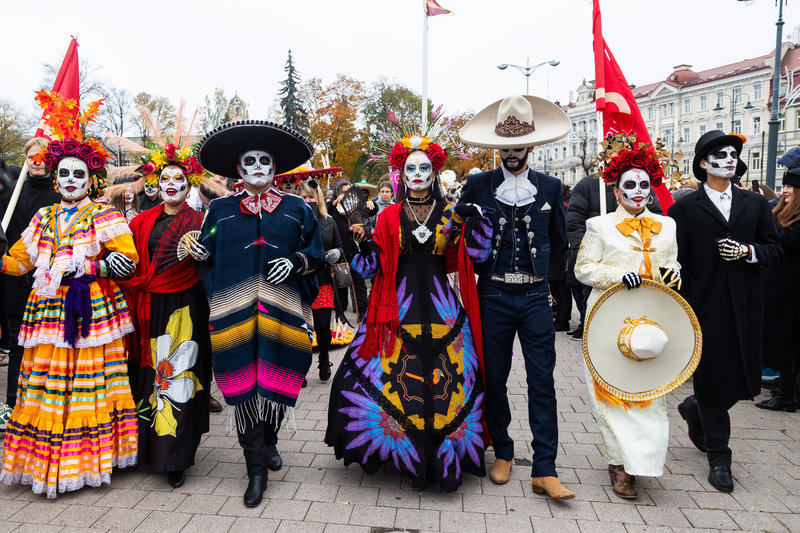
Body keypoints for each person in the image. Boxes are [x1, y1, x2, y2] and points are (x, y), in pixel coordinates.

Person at [325, 133, 491, 491]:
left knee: (451, 376)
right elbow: (371, 267)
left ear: (434, 173)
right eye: (411, 168)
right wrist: (355, 241)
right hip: (394, 308)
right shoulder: (387, 217)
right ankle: (399, 450)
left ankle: (444, 452)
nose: (417, 174)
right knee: (386, 373)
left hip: (441, 306)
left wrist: (470, 224)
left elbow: (469, 257)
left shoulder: (448, 213)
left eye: (424, 168)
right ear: (402, 173)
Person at [0, 91, 139, 497]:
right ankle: (49, 460)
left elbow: (127, 262)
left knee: (88, 385)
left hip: (92, 311)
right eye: (64, 174)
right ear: (56, 177)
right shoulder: (42, 216)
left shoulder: (104, 214)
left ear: (90, 179)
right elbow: (19, 262)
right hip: (47, 313)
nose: (70, 181)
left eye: (78, 174)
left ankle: (87, 462)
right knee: (47, 385)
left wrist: (90, 266)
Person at [195, 119, 324, 507]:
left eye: (264, 160)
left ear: (274, 167)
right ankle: (255, 470)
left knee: (276, 376)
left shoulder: (297, 208)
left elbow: (315, 253)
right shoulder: (218, 210)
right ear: (238, 168)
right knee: (242, 387)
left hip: (282, 311)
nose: (256, 166)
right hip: (232, 313)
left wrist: (296, 263)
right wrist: (201, 254)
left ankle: (270, 440)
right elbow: (206, 253)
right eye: (248, 161)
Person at [457, 94, 573, 499]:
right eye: (504, 148)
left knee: (543, 380)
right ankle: (502, 450)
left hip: (535, 297)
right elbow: (457, 233)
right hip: (492, 295)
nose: (510, 154)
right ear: (496, 148)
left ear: (531, 147)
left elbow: (558, 242)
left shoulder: (551, 187)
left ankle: (545, 466)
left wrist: (542, 282)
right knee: (495, 378)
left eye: (517, 148)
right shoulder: (477, 185)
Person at [669, 130, 782, 492]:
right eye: (720, 154)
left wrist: (748, 252)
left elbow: (774, 251)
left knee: (745, 381)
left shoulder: (754, 204)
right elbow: (677, 261)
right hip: (705, 308)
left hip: (748, 306)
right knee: (714, 381)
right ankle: (720, 457)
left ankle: (694, 407)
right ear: (704, 164)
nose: (730, 159)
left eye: (734, 153)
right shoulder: (683, 209)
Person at [574, 140, 681, 499]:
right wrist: (619, 274)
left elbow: (673, 263)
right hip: (607, 319)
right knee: (608, 393)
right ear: (616, 191)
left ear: (652, 190)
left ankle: (644, 459)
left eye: (643, 185)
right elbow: (583, 269)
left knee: (650, 392)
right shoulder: (599, 226)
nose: (637, 192)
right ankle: (619, 465)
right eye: (629, 186)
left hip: (653, 320)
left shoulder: (667, 226)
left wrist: (673, 274)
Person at [116, 144, 213, 489]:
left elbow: (215, 266)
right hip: (146, 307)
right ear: (156, 183)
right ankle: (144, 449)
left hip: (186, 306)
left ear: (190, 185)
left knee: (178, 376)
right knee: (145, 376)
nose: (171, 183)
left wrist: (204, 256)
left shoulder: (202, 221)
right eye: (165, 178)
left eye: (179, 179)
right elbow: (130, 262)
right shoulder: (141, 220)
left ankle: (176, 456)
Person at [566, 166, 663, 342]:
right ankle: (586, 327)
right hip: (600, 261)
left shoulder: (644, 190)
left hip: (640, 272)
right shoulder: (587, 185)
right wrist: (589, 248)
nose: (637, 189)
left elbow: (656, 221)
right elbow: (575, 221)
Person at [0, 138, 60, 410]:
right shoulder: (10, 195)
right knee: (17, 344)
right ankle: (13, 404)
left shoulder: (62, 196)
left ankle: (47, 402)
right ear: (25, 160)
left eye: (43, 157)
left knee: (50, 341)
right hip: (15, 280)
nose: (37, 162)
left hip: (52, 282)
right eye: (31, 157)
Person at [757, 167, 800, 411]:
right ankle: (786, 392)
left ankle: (787, 395)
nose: (785, 191)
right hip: (779, 290)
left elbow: (782, 241)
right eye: (784, 186)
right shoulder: (782, 213)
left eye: (791, 187)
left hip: (792, 293)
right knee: (783, 344)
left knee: (790, 346)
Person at [297, 176, 344, 382]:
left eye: (312, 197)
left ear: (319, 198)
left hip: (324, 280)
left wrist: (335, 252)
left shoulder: (329, 221)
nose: (308, 201)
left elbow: (341, 247)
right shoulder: (293, 222)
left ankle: (324, 358)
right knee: (301, 329)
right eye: (303, 197)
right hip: (300, 282)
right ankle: (301, 367)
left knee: (322, 326)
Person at [327, 179, 377, 322]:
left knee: (359, 283)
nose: (345, 195)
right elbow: (324, 210)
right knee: (340, 283)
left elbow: (372, 211)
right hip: (339, 250)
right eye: (343, 192)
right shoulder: (333, 206)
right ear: (337, 193)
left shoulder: (355, 205)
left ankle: (362, 312)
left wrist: (371, 204)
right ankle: (340, 312)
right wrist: (334, 202)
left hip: (355, 251)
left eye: (348, 192)